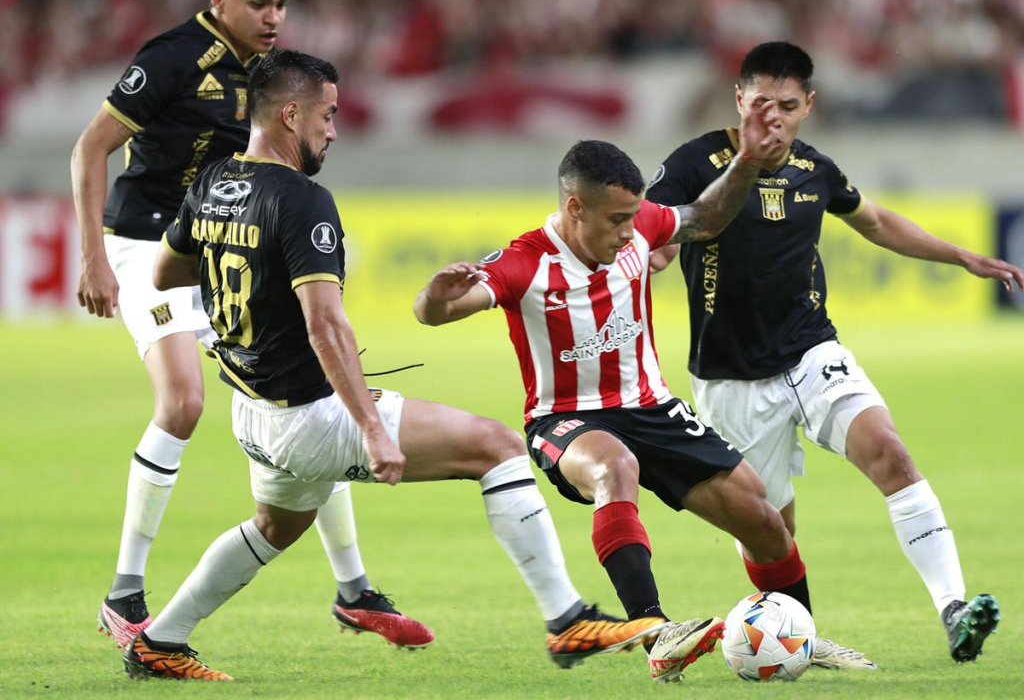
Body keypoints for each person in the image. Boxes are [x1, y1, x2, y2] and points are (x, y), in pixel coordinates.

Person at [123, 48, 668, 681]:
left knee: (273, 527)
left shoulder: (216, 181)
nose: (333, 130)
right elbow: (326, 324)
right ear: (291, 115)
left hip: (251, 409)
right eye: (327, 115)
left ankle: (160, 641)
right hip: (308, 415)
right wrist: (373, 430)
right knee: (497, 447)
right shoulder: (302, 200)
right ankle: (566, 618)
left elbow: (166, 271)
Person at [71, 0, 430, 652]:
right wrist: (93, 257)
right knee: (183, 402)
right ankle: (123, 592)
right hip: (148, 246)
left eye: (281, 4)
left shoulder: (271, 75)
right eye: (258, 3)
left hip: (219, 239)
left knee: (311, 389)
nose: (273, 17)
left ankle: (354, 590)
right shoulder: (173, 58)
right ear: (218, 0)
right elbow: (90, 147)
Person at [647, 41, 1020, 665]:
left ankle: (953, 608)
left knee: (891, 454)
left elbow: (874, 221)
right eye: (760, 103)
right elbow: (656, 235)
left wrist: (960, 255)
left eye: (787, 106)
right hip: (731, 379)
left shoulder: (815, 169)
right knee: (770, 531)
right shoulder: (693, 162)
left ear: (809, 106)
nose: (773, 117)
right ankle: (801, 640)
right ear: (738, 99)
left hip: (811, 352)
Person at [414, 126, 828, 684]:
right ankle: (655, 630)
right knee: (615, 466)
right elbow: (440, 311)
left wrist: (748, 162)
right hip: (567, 419)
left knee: (764, 520)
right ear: (575, 207)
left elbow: (704, 218)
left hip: (652, 408)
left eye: (634, 216)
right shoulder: (526, 261)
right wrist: (434, 298)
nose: (630, 231)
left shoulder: (638, 227)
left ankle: (802, 638)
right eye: (616, 220)